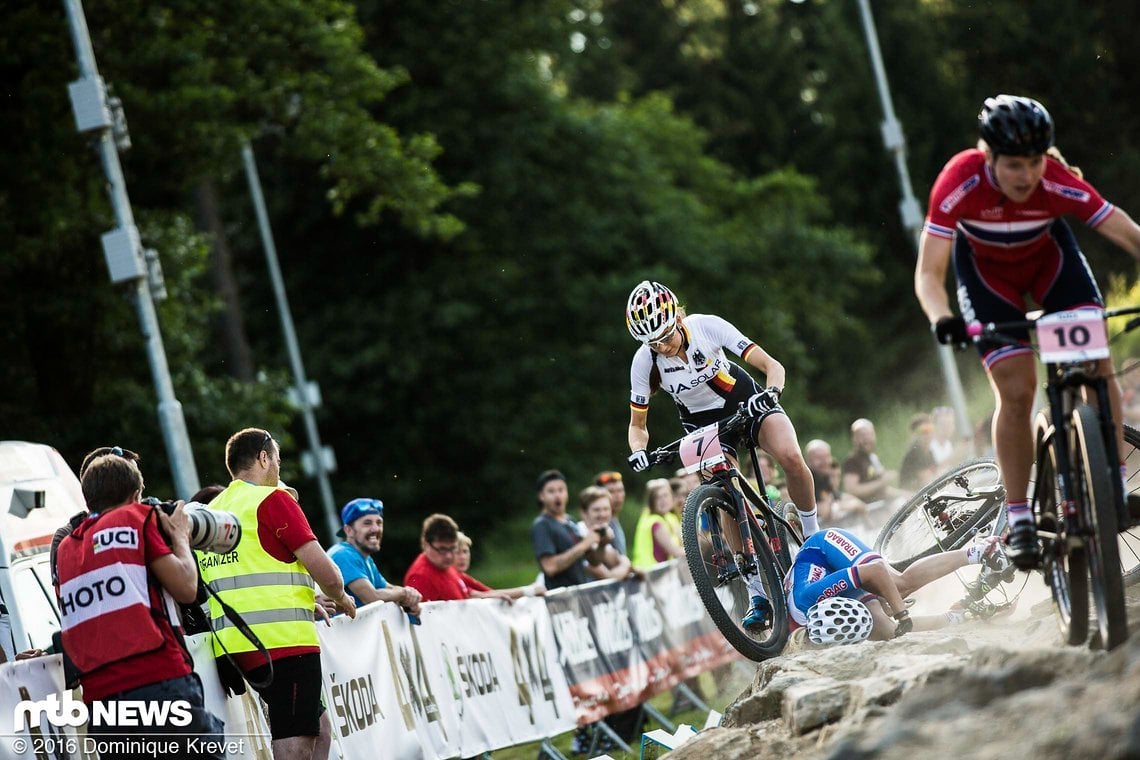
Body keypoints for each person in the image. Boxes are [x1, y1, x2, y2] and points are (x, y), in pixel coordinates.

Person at [914, 94, 1140, 567]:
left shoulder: (1055, 181)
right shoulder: (959, 180)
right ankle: (1019, 518)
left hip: (1050, 266)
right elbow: (929, 273)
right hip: (987, 279)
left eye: (1034, 163)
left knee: (1098, 365)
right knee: (1017, 392)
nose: (1026, 176)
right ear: (989, 157)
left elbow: (1124, 232)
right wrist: (942, 319)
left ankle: (1114, 480)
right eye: (1013, 165)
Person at [624, 280, 819, 631]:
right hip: (701, 423)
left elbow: (772, 365)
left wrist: (772, 391)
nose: (663, 346)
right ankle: (757, 592)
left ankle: (813, 533)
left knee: (790, 456)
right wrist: (638, 450)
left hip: (746, 401)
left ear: (678, 317)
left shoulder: (706, 326)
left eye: (667, 335)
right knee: (725, 493)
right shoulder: (645, 361)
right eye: (654, 342)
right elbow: (638, 425)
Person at [53, 452, 224, 758]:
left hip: (102, 706)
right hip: (159, 683)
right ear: (135, 496)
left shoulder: (67, 547)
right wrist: (181, 537)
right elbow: (186, 588)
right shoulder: (135, 518)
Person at [199, 428, 356, 760]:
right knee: (295, 742)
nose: (278, 470)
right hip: (283, 642)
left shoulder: (211, 512)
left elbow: (241, 571)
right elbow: (325, 572)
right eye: (278, 460)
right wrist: (341, 596)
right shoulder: (272, 500)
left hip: (234, 645)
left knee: (320, 728)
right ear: (263, 457)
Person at [785, 526, 1010, 642]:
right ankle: (958, 615)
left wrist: (902, 614)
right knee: (888, 631)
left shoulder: (809, 598)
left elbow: (876, 571)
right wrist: (899, 622)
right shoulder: (815, 636)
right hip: (831, 597)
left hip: (824, 549)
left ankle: (980, 551)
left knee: (899, 586)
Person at [328, 498, 422, 615]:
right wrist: (405, 594)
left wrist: (409, 596)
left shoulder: (365, 558)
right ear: (349, 530)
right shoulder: (343, 555)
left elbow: (388, 589)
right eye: (367, 523)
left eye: (379, 523)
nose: (376, 528)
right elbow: (371, 597)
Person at [404, 514, 525, 602]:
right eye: (442, 549)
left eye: (452, 548)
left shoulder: (446, 568)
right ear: (425, 544)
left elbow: (468, 593)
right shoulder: (421, 577)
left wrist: (526, 592)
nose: (449, 556)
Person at [532, 470, 598, 590]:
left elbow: (592, 562)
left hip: (580, 593)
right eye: (551, 491)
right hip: (560, 599)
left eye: (561, 490)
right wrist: (584, 545)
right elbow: (549, 567)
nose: (557, 495)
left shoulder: (570, 521)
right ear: (541, 496)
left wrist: (597, 541)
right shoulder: (542, 525)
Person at [841, 419, 907, 508]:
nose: (866, 438)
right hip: (865, 516)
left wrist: (907, 495)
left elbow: (881, 489)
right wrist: (882, 482)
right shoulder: (852, 461)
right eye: (862, 435)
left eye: (869, 434)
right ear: (854, 438)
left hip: (880, 510)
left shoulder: (873, 458)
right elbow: (852, 489)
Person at [576, 486, 637, 581]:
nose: (602, 514)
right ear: (584, 513)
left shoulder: (606, 533)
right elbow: (605, 575)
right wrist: (625, 567)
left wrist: (626, 565)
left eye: (606, 509)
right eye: (597, 510)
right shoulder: (579, 533)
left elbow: (622, 561)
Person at [804, 439, 867, 527]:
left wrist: (838, 506)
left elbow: (855, 502)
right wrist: (839, 506)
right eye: (819, 458)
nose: (824, 461)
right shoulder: (807, 482)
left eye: (826, 457)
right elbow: (824, 511)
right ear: (808, 461)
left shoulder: (824, 480)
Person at [630, 478, 684, 568]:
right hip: (651, 573)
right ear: (651, 502)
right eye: (657, 497)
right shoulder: (655, 522)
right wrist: (698, 549)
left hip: (658, 572)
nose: (663, 500)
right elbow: (675, 552)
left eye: (665, 496)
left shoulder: (669, 517)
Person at [899, 413, 940, 491]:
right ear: (915, 434)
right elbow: (927, 479)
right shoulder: (913, 453)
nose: (929, 434)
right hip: (911, 497)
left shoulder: (929, 452)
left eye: (931, 429)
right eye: (924, 431)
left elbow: (936, 472)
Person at [594, 471, 629, 555]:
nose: (618, 496)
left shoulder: (614, 520)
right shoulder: (598, 525)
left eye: (620, 490)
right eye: (611, 491)